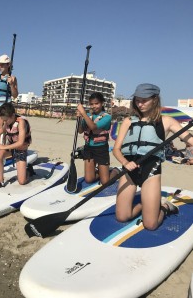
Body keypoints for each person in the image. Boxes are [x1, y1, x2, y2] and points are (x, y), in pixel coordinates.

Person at [112, 83, 193, 230]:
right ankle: (147, 204)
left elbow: (190, 140)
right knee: (122, 216)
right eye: (137, 100)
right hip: (129, 169)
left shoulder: (166, 121)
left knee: (150, 225)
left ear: (155, 99)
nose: (140, 104)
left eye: (144, 100)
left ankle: (163, 207)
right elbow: (116, 149)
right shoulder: (128, 121)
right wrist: (124, 162)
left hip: (151, 169)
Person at [0, 103, 33, 189]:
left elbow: (20, 142)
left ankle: (29, 171)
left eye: (6, 120)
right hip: (11, 147)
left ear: (13, 115)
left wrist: (3, 147)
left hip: (20, 150)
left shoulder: (21, 122)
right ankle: (1, 181)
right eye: (3, 120)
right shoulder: (8, 121)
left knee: (22, 182)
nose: (4, 122)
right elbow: (3, 129)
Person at [76, 92, 118, 185]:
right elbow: (80, 131)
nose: (94, 106)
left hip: (101, 149)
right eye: (91, 104)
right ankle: (102, 172)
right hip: (88, 148)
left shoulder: (107, 117)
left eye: (96, 103)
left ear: (102, 103)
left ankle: (115, 171)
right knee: (89, 180)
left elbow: (93, 127)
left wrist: (83, 113)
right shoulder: (88, 116)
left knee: (105, 182)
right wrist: (79, 118)